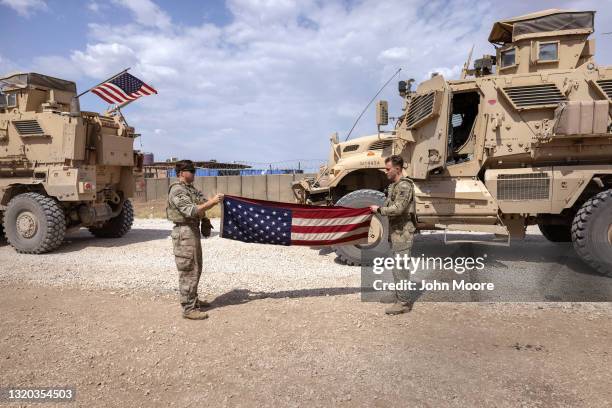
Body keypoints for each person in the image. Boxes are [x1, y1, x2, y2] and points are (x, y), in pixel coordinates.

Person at [166, 160, 223, 320]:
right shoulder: (177, 190)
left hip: (192, 230)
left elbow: (200, 204)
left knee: (197, 267)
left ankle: (193, 299)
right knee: (188, 270)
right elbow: (191, 210)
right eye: (191, 171)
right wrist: (212, 202)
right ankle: (188, 308)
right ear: (181, 172)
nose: (193, 174)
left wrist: (205, 220)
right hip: (183, 231)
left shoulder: (189, 189)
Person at [370, 155, 416, 315]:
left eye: (388, 169)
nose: (385, 171)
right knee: (397, 268)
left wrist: (379, 210)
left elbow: (398, 208)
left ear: (397, 169)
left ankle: (403, 303)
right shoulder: (393, 186)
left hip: (403, 234)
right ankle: (399, 295)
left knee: (400, 268)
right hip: (396, 233)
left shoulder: (404, 186)